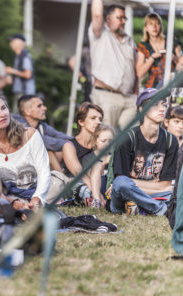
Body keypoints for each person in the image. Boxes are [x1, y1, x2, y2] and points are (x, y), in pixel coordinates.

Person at [0, 93, 50, 209]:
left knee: (56, 186)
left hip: (36, 191)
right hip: (5, 199)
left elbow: (43, 171)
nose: (2, 114)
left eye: (3, 108)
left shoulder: (30, 135)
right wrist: (15, 204)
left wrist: (37, 198)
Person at [110, 88, 178, 215]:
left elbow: (166, 185)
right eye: (155, 104)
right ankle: (161, 210)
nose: (162, 108)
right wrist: (154, 186)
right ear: (141, 109)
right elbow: (122, 182)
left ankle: (139, 207)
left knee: (176, 191)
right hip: (126, 197)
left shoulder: (170, 140)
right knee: (121, 183)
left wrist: (135, 186)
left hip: (153, 194)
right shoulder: (127, 138)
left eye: (163, 104)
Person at [89, 0, 137, 130]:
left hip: (129, 98)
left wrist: (136, 93)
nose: (123, 21)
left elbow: (134, 69)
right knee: (106, 136)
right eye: (119, 18)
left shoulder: (129, 40)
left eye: (124, 18)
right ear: (108, 19)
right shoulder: (100, 34)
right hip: (106, 95)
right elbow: (97, 15)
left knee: (131, 136)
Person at [15, 94, 74, 171]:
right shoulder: (18, 124)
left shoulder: (41, 126)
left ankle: (64, 176)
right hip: (20, 166)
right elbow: (39, 139)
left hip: (36, 164)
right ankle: (63, 178)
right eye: (39, 106)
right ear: (27, 111)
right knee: (48, 151)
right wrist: (67, 144)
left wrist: (77, 141)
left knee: (62, 150)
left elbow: (59, 135)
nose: (45, 108)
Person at [136, 12, 183, 89]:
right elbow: (139, 74)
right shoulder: (143, 46)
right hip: (153, 89)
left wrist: (174, 59)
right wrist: (152, 58)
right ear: (146, 28)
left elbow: (181, 65)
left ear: (160, 26)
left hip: (171, 86)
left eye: (157, 23)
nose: (154, 27)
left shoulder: (171, 41)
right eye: (151, 24)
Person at [6, 34, 35, 113]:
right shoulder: (18, 56)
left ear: (21, 43)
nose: (11, 43)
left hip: (25, 93)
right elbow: (20, 73)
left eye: (13, 41)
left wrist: (13, 71)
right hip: (19, 92)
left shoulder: (25, 56)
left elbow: (28, 74)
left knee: (19, 117)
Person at [88, 123, 115, 208]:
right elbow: (89, 179)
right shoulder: (89, 158)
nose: (107, 144)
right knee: (97, 166)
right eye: (103, 141)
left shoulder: (114, 156)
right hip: (95, 190)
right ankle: (96, 202)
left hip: (111, 191)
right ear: (95, 141)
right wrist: (103, 164)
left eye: (110, 141)